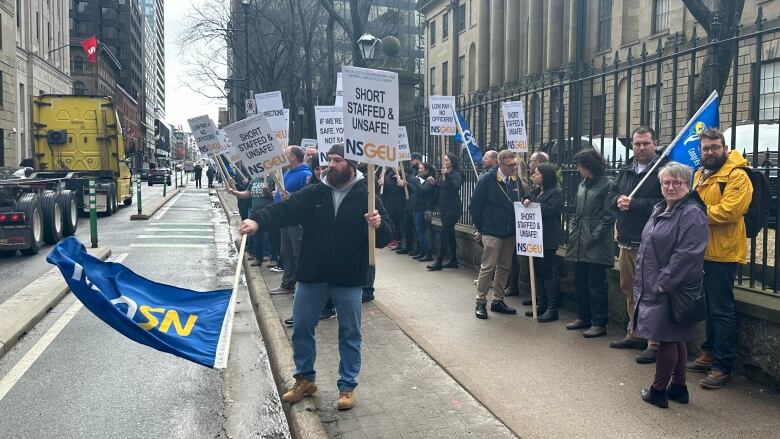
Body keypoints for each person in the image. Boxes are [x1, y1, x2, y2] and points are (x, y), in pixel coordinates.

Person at [239, 144, 392, 411]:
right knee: (301, 328)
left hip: (347, 278)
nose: (330, 165)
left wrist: (377, 225)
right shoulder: (315, 192)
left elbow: (385, 238)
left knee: (349, 333)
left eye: (336, 160)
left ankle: (347, 386)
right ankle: (305, 379)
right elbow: (284, 210)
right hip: (312, 276)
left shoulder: (366, 196)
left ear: (351, 165)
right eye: (328, 160)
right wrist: (257, 221)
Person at [634, 162, 708, 408]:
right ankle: (678, 387)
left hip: (671, 288)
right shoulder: (661, 207)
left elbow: (687, 253)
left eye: (677, 182)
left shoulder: (691, 212)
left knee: (666, 338)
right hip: (659, 284)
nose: (671, 187)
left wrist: (663, 283)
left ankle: (658, 391)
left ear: (688, 185)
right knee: (676, 338)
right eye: (666, 182)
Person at [687, 129, 752, 390]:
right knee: (710, 307)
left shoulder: (738, 176)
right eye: (705, 148)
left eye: (715, 147)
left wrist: (694, 213)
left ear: (725, 148)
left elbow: (730, 211)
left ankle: (723, 365)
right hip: (701, 250)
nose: (710, 152)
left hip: (723, 253)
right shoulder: (698, 174)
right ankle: (709, 352)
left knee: (722, 309)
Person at [608, 127, 665, 364]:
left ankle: (654, 341)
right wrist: (616, 201)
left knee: (651, 293)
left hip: (650, 243)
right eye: (637, 144)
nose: (640, 148)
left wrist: (635, 204)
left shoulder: (662, 170)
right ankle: (636, 331)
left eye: (645, 143)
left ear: (655, 143)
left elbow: (664, 202)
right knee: (629, 289)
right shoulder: (626, 169)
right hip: (626, 240)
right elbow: (611, 193)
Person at [469, 150, 527, 319]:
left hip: (509, 232)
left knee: (505, 267)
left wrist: (527, 198)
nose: (514, 168)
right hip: (492, 231)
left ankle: (497, 300)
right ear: (500, 164)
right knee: (488, 267)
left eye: (515, 164)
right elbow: (475, 206)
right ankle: (480, 302)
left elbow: (523, 196)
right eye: (511, 166)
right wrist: (482, 228)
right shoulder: (487, 179)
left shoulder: (515, 180)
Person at [565, 148, 616, 338]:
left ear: (589, 165)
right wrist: (573, 229)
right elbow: (576, 210)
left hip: (596, 242)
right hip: (579, 239)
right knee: (580, 281)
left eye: (580, 166)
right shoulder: (583, 184)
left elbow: (609, 215)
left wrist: (594, 236)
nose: (578, 169)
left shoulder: (607, 184)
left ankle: (598, 322)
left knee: (596, 283)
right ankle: (583, 316)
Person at [521, 162, 563, 322]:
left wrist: (533, 205)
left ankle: (552, 309)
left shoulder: (555, 193)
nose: (534, 176)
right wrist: (526, 200)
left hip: (548, 237)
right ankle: (541, 303)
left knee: (548, 271)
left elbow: (550, 209)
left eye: (537, 174)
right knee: (538, 270)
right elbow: (528, 197)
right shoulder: (537, 190)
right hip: (535, 237)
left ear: (546, 176)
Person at [271, 146, 313, 295]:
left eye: (286, 154)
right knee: (286, 251)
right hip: (285, 219)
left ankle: (299, 286)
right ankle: (287, 283)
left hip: (296, 221)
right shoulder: (288, 172)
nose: (282, 156)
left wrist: (291, 196)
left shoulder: (306, 174)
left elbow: (307, 196)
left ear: (293, 157)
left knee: (297, 252)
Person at [427, 153, 463, 271]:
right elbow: (443, 189)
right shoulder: (444, 175)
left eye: (446, 160)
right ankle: (453, 260)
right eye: (444, 160)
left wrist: (447, 175)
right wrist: (435, 184)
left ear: (452, 162)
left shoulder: (456, 174)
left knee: (443, 233)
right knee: (450, 233)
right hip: (444, 208)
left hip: (453, 209)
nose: (444, 162)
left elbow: (454, 187)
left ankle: (439, 261)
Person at [227, 176, 272, 265]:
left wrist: (268, 192)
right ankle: (257, 257)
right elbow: (247, 194)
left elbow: (274, 196)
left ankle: (267, 254)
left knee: (267, 235)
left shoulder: (272, 179)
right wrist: (234, 192)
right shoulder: (254, 180)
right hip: (255, 212)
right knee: (256, 235)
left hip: (268, 212)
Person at [408, 162, 437, 262]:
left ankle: (428, 253)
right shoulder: (420, 179)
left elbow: (422, 191)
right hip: (416, 207)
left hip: (423, 209)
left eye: (421, 168)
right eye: (419, 168)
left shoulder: (429, 180)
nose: (419, 170)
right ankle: (422, 252)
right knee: (418, 231)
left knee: (421, 232)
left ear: (427, 170)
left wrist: (417, 182)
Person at [396, 152, 422, 255]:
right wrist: (403, 184)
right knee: (407, 225)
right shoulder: (413, 172)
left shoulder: (422, 171)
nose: (410, 162)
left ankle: (419, 249)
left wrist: (407, 184)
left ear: (418, 160)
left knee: (417, 228)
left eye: (412, 160)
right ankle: (408, 246)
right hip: (410, 202)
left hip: (418, 203)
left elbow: (418, 187)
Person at [380, 167, 406, 251]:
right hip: (390, 204)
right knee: (393, 223)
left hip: (401, 204)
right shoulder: (389, 176)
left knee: (400, 224)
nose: (395, 168)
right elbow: (385, 190)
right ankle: (395, 240)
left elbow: (409, 189)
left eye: (397, 166)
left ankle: (401, 242)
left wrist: (403, 184)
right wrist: (382, 184)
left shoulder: (404, 175)